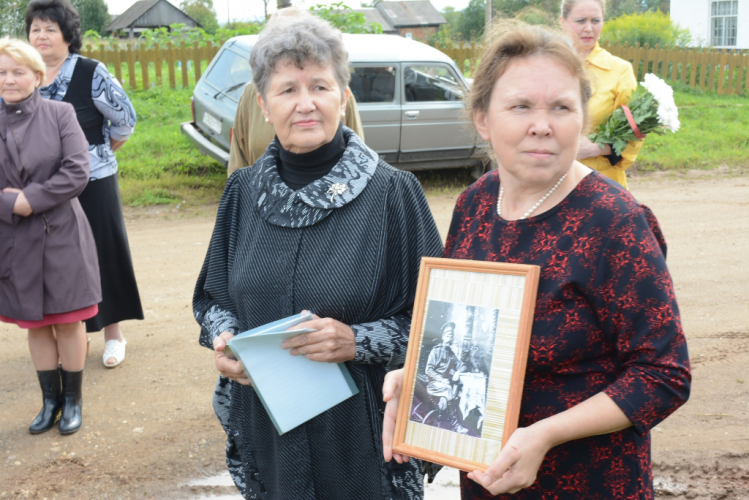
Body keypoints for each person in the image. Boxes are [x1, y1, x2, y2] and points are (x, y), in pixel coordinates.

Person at [381, 24, 691, 499]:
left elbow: (663, 374)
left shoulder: (615, 222)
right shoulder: (475, 205)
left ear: (582, 118)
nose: (542, 125)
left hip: (589, 482)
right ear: (483, 118)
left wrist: (545, 434)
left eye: (561, 107)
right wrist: (417, 377)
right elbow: (469, 336)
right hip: (487, 479)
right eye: (521, 106)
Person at [193, 9, 443, 499]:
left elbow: (438, 326)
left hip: (365, 435)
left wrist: (357, 340)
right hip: (268, 425)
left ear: (343, 98)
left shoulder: (394, 194)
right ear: (263, 104)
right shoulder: (243, 193)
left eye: (320, 87)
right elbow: (213, 299)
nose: (305, 104)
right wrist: (225, 343)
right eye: (288, 89)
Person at [26, 0, 142, 368]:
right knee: (50, 259)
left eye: (49, 28)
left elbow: (124, 118)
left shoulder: (91, 71)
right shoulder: (23, 73)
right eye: (35, 29)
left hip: (93, 179)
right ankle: (62, 336)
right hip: (41, 187)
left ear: (67, 34)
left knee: (102, 252)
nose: (41, 36)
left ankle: (113, 334)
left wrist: (97, 150)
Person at [0, 38, 100, 435]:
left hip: (61, 234)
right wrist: (9, 207)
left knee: (67, 321)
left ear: (37, 76)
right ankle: (49, 402)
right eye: (2, 73)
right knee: (35, 323)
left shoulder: (61, 114)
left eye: (18, 71)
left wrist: (28, 199)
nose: (9, 79)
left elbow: (78, 171)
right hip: (13, 239)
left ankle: (73, 401)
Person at [560, 0, 643, 189]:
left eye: (595, 20)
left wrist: (596, 148)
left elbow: (634, 130)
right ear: (563, 22)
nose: (589, 28)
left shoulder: (620, 70)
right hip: (553, 184)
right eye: (580, 21)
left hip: (603, 187)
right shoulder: (548, 67)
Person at [227, 80, 365, 176]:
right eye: (288, 91)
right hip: (260, 211)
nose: (305, 106)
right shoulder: (253, 91)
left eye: (317, 88)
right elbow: (238, 163)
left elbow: (358, 161)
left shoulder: (335, 90)